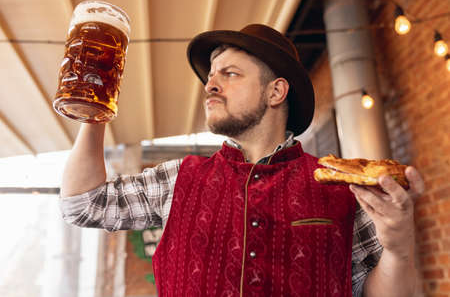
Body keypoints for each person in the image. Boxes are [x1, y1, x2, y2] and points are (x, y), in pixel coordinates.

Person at [60, 24, 425, 297]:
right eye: (211, 75)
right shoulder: (177, 179)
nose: (210, 84)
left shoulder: (341, 188)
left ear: (276, 91)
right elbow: (82, 203)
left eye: (230, 73)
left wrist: (398, 246)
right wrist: (95, 112)